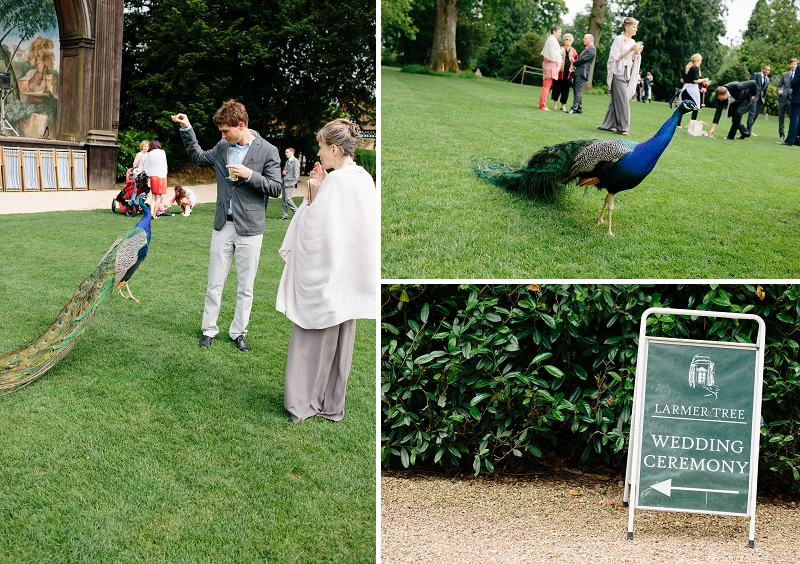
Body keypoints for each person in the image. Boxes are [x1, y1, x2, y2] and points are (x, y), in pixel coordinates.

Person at [276, 119, 376, 423]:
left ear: (334, 148)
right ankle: (330, 402)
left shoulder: (338, 182)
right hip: (348, 274)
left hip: (329, 276)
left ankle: (303, 401)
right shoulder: (363, 177)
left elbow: (313, 226)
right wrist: (320, 187)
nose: (318, 154)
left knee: (314, 335)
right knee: (340, 339)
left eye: (321, 148)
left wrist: (313, 190)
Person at [174, 100, 282, 351]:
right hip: (223, 225)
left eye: (226, 131)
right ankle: (208, 330)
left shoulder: (268, 150)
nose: (222, 136)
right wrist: (187, 128)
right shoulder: (224, 146)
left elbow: (276, 188)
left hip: (251, 228)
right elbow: (199, 158)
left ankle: (239, 333)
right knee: (215, 282)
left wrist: (250, 175)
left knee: (245, 287)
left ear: (241, 125)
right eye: (221, 132)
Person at [599, 17, 643, 136]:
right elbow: (615, 56)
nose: (635, 29)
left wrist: (636, 53)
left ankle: (608, 125)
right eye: (634, 27)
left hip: (627, 72)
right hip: (617, 72)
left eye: (636, 27)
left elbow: (632, 59)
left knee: (616, 98)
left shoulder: (633, 42)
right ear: (627, 27)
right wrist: (630, 50)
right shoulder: (618, 39)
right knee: (623, 99)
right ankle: (624, 128)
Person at [677, 54, 710, 128]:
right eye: (701, 60)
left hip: (685, 88)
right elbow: (695, 80)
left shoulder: (687, 67)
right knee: (696, 106)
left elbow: (682, 80)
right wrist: (704, 80)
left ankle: (678, 124)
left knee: (682, 105)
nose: (701, 62)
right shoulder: (696, 68)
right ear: (698, 60)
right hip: (692, 88)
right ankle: (692, 125)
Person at [568, 34, 597, 114]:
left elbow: (583, 59)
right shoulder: (587, 49)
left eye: (585, 38)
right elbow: (581, 59)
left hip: (582, 73)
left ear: (590, 39)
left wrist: (574, 62)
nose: (583, 39)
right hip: (579, 72)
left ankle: (574, 108)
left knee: (577, 91)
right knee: (578, 91)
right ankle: (579, 108)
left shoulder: (591, 49)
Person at [551, 33, 577, 111]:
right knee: (556, 88)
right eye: (566, 39)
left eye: (570, 40)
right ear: (564, 40)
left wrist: (573, 61)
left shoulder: (574, 51)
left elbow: (577, 61)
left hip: (568, 73)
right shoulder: (560, 48)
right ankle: (555, 104)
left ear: (572, 41)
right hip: (559, 72)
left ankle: (563, 105)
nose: (568, 41)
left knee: (566, 90)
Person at [539, 25, 562, 111]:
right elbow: (552, 55)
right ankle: (542, 105)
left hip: (550, 66)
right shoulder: (551, 41)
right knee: (546, 86)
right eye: (559, 32)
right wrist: (560, 52)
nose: (560, 34)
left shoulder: (552, 40)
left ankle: (542, 104)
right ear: (554, 31)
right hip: (550, 67)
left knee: (547, 86)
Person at [143, 140, 168, 218]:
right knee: (159, 196)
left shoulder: (150, 154)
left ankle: (151, 212)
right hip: (161, 176)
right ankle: (154, 213)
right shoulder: (162, 152)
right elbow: (164, 164)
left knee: (154, 196)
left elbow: (146, 166)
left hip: (153, 177)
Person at [745, 65, 771, 135]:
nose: (767, 71)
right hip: (753, 97)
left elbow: (765, 89)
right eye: (766, 69)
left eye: (768, 70)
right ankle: (748, 130)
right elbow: (749, 84)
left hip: (760, 99)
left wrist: (764, 98)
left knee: (755, 115)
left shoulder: (767, 79)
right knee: (752, 113)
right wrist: (751, 95)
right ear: (762, 69)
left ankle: (749, 129)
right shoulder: (756, 75)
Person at [778, 67, 800, 146]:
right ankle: (797, 140)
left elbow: (795, 81)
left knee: (794, 119)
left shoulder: (799, 67)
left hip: (797, 97)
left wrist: (792, 85)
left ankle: (789, 140)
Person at [777, 58, 797, 140]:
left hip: (793, 99)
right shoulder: (784, 74)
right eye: (791, 64)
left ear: (797, 65)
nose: (793, 65)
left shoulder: (798, 75)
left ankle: (791, 135)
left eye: (794, 64)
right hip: (783, 98)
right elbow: (779, 85)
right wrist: (779, 90)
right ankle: (781, 134)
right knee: (781, 118)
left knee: (793, 118)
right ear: (790, 65)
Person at [279, 147, 300, 220]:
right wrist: (282, 173)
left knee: (288, 199)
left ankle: (297, 212)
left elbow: (296, 175)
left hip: (289, 184)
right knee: (284, 200)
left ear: (292, 152)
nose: (285, 153)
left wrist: (292, 183)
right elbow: (284, 172)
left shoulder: (296, 161)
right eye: (285, 152)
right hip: (284, 183)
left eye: (287, 152)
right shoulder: (287, 161)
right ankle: (284, 215)